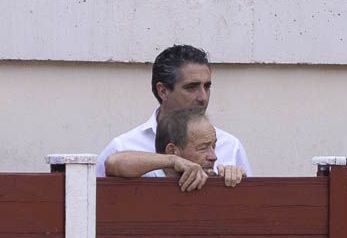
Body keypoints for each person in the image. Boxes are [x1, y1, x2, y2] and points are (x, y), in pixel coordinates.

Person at [98, 45, 251, 178]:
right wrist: (171, 161)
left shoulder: (230, 145)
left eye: (207, 86)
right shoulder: (124, 146)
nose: (203, 97)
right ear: (163, 91)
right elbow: (91, 196)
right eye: (191, 87)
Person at [105, 108, 246, 192]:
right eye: (203, 148)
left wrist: (235, 180)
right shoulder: (151, 176)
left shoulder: (215, 178)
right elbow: (112, 162)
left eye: (213, 146)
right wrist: (173, 161)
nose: (214, 156)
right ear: (172, 150)